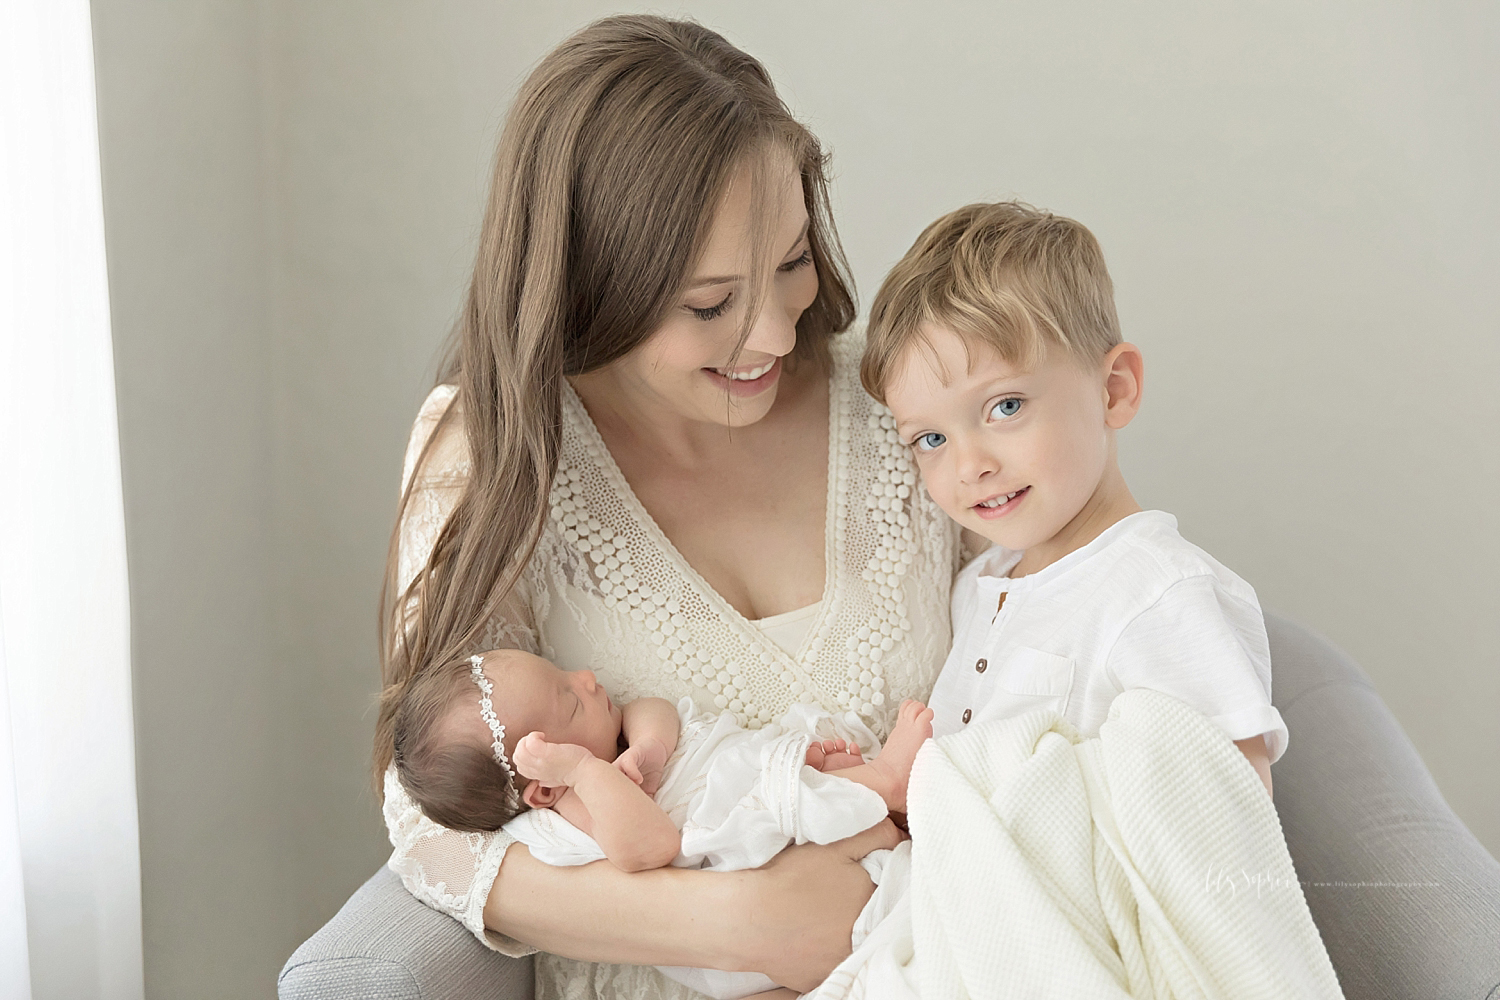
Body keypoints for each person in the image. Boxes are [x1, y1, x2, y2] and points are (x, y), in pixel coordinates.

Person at [373, 15, 962, 999]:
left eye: (790, 261)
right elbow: (425, 820)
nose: (773, 330)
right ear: (590, 285)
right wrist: (738, 922)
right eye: (708, 303)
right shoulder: (490, 452)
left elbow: (1075, 623)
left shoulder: (911, 399)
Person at [861, 201, 1287, 787]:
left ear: (1114, 390)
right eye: (931, 438)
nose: (970, 466)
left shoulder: (1160, 594)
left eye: (1004, 407)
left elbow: (1230, 814)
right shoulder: (978, 586)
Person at [393, 647, 933, 999]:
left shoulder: (616, 737)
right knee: (771, 803)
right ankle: (885, 779)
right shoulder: (568, 816)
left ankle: (862, 795)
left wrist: (650, 745)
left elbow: (654, 707)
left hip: (754, 826)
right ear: (545, 785)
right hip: (739, 876)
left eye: (566, 675)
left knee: (780, 788)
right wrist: (585, 773)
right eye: (570, 699)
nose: (586, 678)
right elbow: (648, 847)